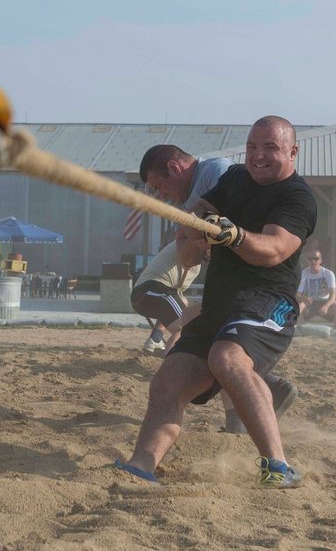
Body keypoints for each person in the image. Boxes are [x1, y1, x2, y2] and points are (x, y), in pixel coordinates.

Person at [112, 116, 317, 488]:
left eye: (270, 148)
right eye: (253, 147)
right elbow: (193, 222)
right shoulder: (235, 178)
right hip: (219, 304)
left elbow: (273, 250)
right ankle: (141, 467)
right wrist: (202, 226)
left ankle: (279, 467)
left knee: (226, 357)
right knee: (167, 381)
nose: (258, 156)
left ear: (292, 152)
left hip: (268, 303)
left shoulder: (297, 197)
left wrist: (233, 235)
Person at [140, 143, 299, 431]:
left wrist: (201, 238)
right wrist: (195, 238)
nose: (160, 195)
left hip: (256, 288)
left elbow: (237, 225)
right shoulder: (194, 195)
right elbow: (187, 254)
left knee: (225, 349)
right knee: (206, 338)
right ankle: (267, 389)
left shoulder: (218, 172)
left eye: (159, 185)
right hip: (231, 285)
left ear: (175, 168)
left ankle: (245, 415)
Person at [130, 241, 201, 353]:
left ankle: (156, 338)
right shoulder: (187, 244)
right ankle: (169, 363)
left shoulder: (198, 262)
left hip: (154, 294)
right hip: (148, 291)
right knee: (185, 328)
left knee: (183, 301)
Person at [296, 249, 336, 330]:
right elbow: (297, 295)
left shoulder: (328, 273)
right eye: (310, 259)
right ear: (307, 261)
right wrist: (303, 298)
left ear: (320, 260)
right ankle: (298, 332)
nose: (313, 261)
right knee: (299, 306)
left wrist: (326, 306)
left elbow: (333, 295)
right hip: (309, 303)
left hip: (325, 301)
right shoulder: (303, 274)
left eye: (316, 259)